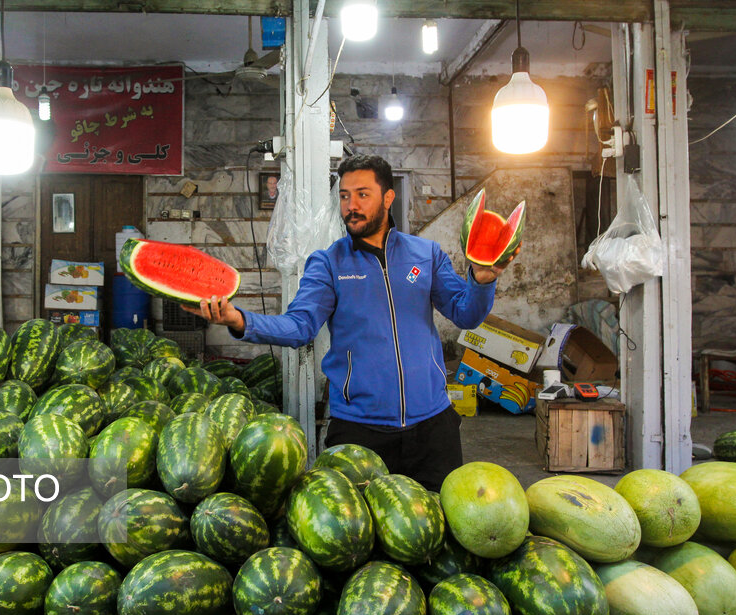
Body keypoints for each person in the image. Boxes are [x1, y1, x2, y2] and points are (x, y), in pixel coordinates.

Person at [186, 154, 517, 490]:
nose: (351, 205)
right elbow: (299, 327)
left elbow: (466, 314)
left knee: (437, 531)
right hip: (359, 431)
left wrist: (483, 281)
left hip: (433, 427)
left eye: (362, 194)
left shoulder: (426, 254)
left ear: (388, 197)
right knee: (356, 537)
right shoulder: (329, 263)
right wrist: (239, 320)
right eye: (344, 196)